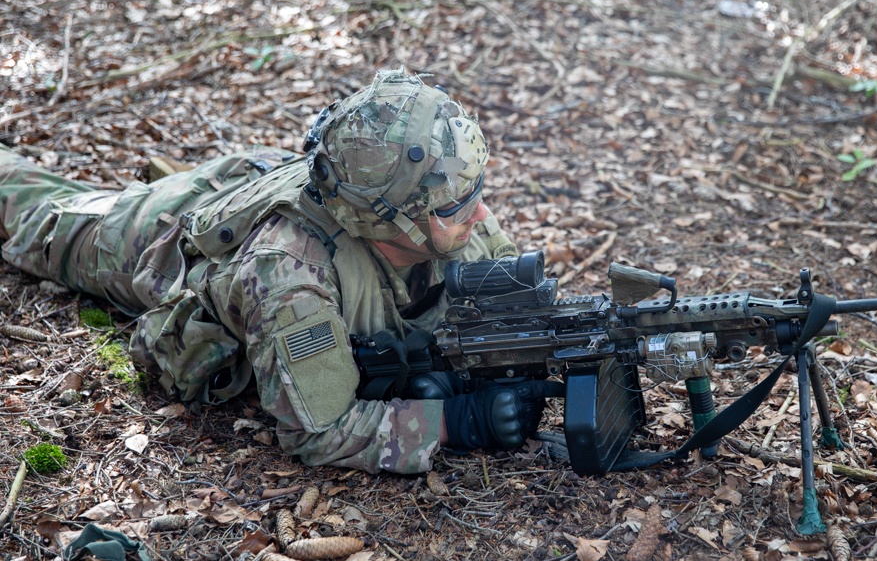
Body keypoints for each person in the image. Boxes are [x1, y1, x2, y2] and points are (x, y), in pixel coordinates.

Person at [0, 68, 560, 474]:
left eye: (475, 193)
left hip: (269, 178)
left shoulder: (439, 204)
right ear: (392, 221)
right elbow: (318, 432)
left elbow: (515, 316)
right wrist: (453, 424)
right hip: (154, 240)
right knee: (37, 211)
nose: (481, 214)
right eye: (456, 206)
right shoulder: (291, 275)